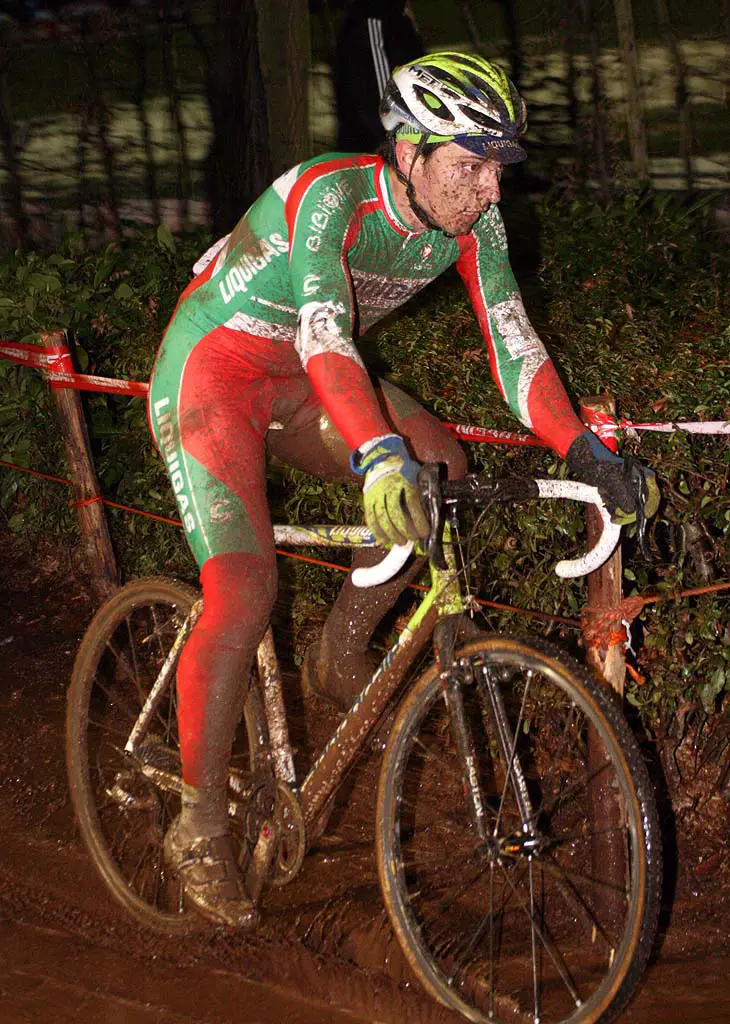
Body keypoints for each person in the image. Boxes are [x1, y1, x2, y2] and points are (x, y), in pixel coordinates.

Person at [147, 51, 659, 929]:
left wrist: (583, 449)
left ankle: (339, 649)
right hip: (216, 375)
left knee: (444, 468)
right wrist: (377, 454)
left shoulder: (473, 224)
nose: (488, 191)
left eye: (498, 168)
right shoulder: (329, 197)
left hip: (306, 383)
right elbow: (324, 337)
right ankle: (195, 823)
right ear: (410, 151)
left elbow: (514, 345)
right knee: (243, 588)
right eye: (469, 167)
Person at [333, 0, 423, 153]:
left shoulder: (393, 23)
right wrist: (391, 139)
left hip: (399, 144)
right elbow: (377, 91)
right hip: (379, 149)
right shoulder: (372, 23)